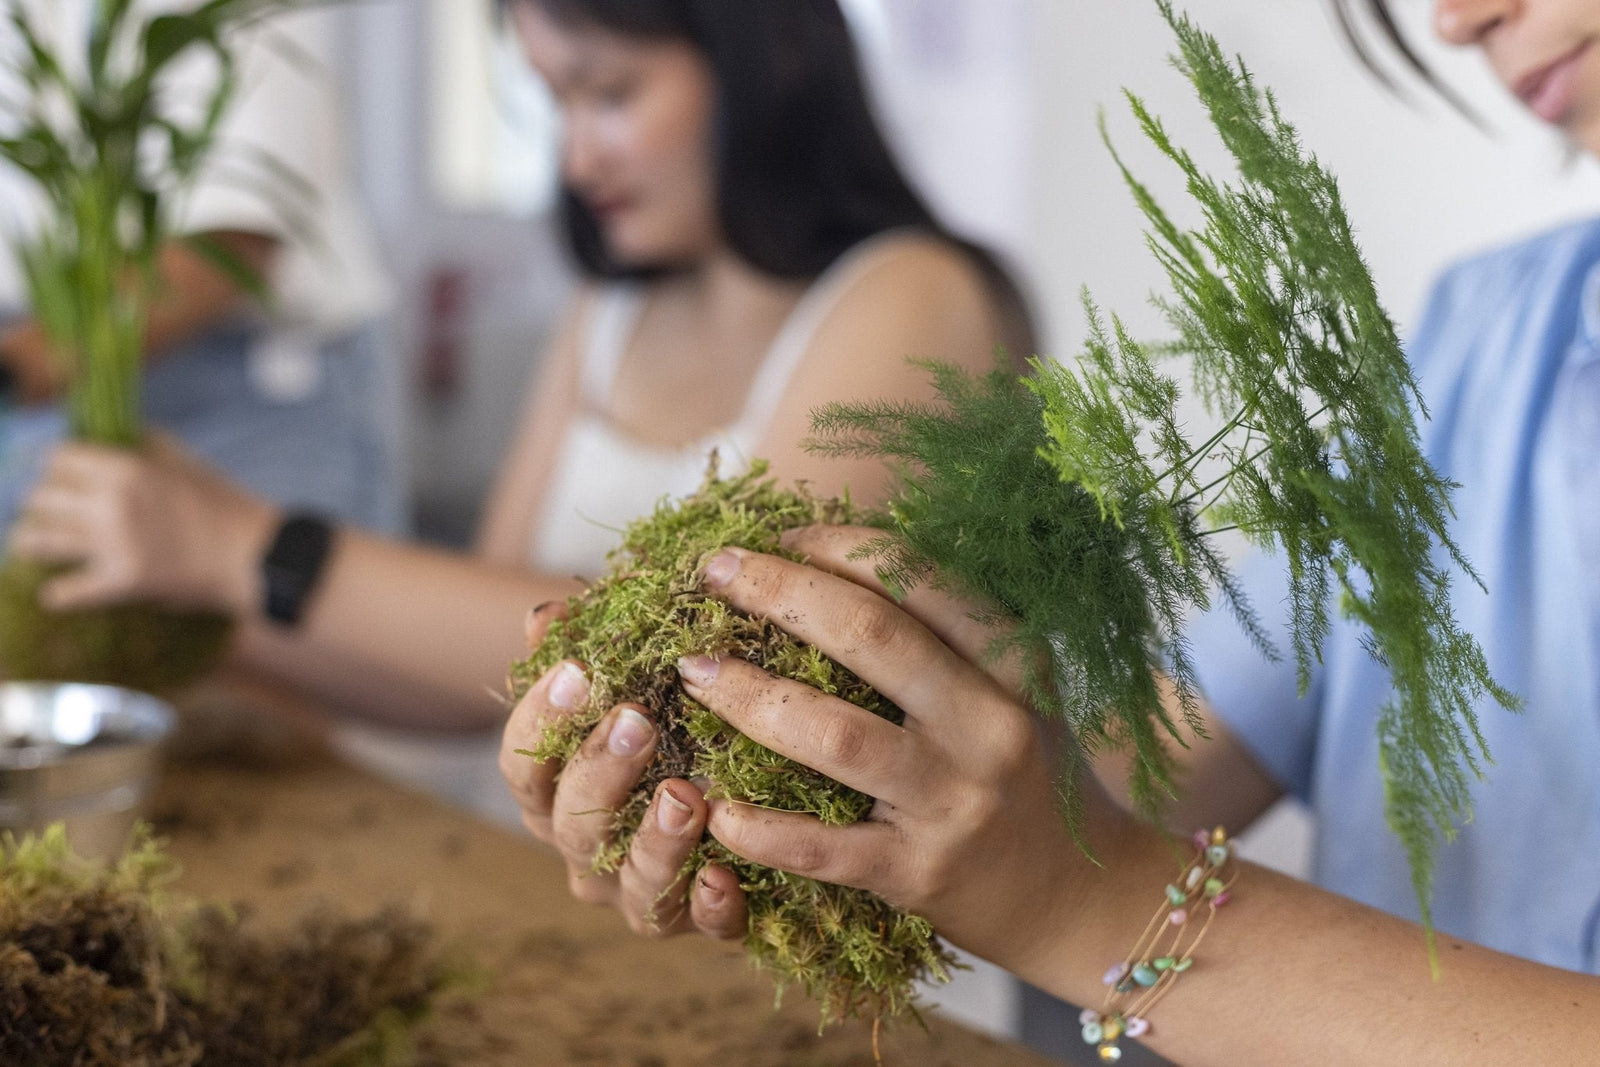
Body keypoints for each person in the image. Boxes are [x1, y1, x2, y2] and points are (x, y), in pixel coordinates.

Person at [499, 0, 1600, 1059]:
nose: (1456, 17)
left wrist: (1094, 903)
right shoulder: (1488, 335)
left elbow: (1082, 864)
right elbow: (1149, 764)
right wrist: (801, 803)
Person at [7, 0, 1032, 823]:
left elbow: (713, 676)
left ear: (769, 57)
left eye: (609, 93)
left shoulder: (914, 299)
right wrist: (189, 594)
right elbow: (488, 666)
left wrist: (251, 545)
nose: (577, 160)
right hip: (594, 901)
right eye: (557, 105)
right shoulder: (611, 314)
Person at [0, 1, 403, 537]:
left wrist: (12, 371)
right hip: (46, 393)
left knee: (281, 609)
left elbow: (235, 239)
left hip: (247, 402)